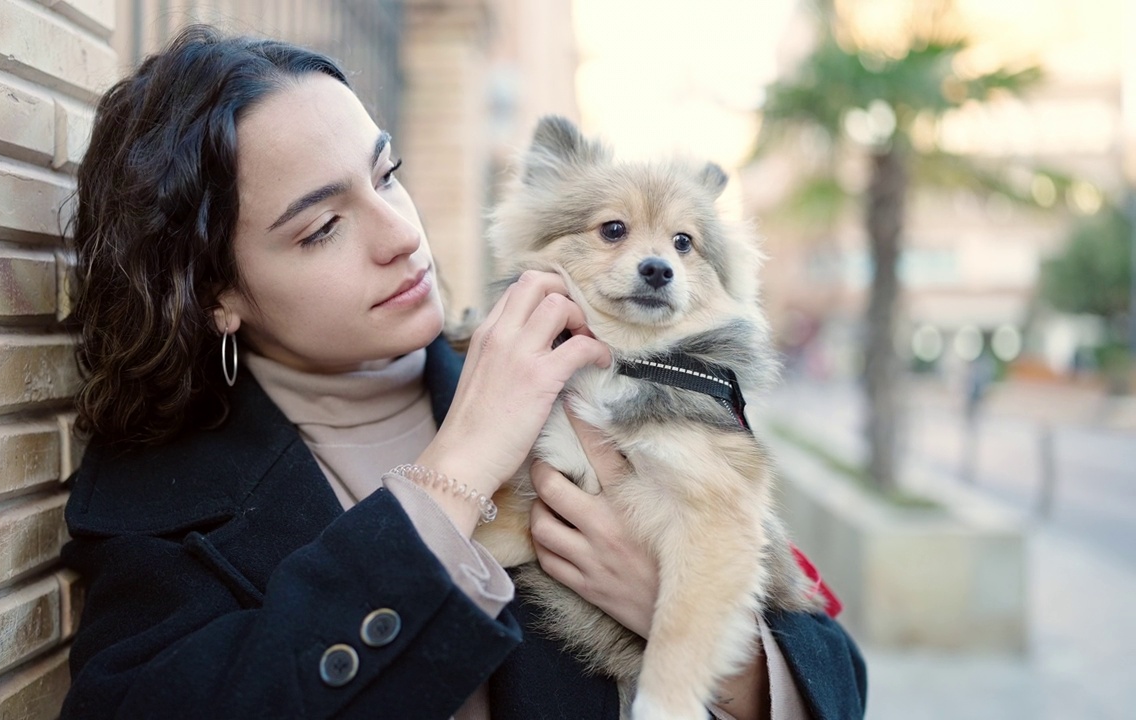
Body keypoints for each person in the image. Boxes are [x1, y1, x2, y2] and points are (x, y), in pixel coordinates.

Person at [59, 25, 867, 720]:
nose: (400, 235)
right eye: (324, 227)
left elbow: (834, 664)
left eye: (387, 175)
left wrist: (691, 634)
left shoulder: (591, 379)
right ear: (216, 294)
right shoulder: (163, 497)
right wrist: (458, 468)